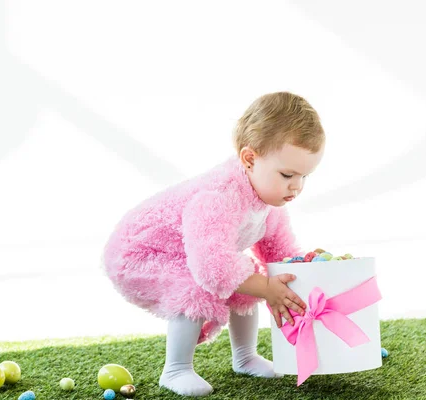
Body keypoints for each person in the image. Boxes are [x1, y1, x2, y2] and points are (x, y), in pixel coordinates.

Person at [103, 91, 325, 396]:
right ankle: (176, 369)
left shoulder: (269, 204)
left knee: (249, 275)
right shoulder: (220, 196)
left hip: (188, 253)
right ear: (250, 159)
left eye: (304, 176)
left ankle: (245, 356)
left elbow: (282, 256)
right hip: (135, 253)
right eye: (288, 174)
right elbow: (210, 265)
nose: (296, 187)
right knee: (200, 283)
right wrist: (266, 287)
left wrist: (307, 274)